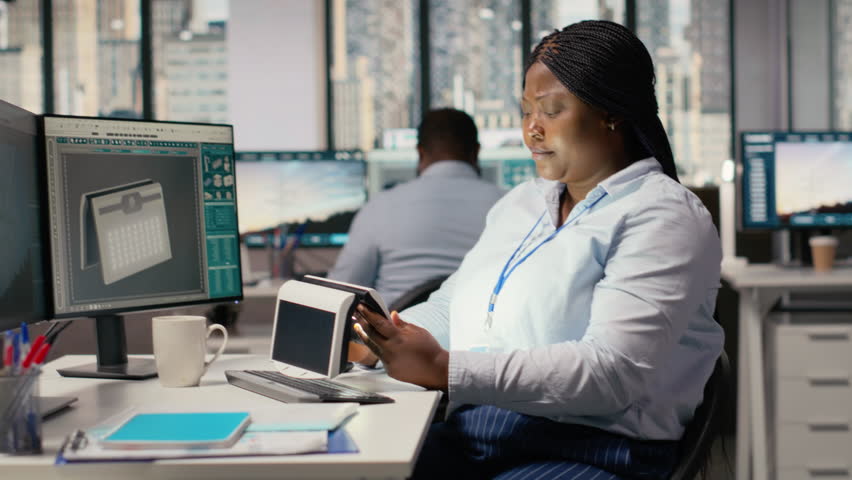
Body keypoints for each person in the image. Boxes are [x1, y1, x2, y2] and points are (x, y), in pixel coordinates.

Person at [351, 20, 723, 480]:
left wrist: (445, 367)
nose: (531, 130)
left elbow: (611, 372)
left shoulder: (662, 215)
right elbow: (454, 306)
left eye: (550, 110)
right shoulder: (522, 203)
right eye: (526, 111)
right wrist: (378, 339)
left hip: (593, 451)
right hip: (481, 435)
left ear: (611, 113)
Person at [328, 108, 505, 307]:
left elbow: (340, 292)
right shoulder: (509, 206)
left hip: (396, 325)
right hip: (479, 325)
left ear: (420, 152)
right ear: (476, 151)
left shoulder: (380, 206)